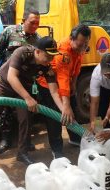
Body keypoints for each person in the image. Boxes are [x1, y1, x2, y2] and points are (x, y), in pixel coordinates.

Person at [0, 36, 72, 165]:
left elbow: (53, 91)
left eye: (52, 56)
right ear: (38, 52)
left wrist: (63, 109)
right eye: (48, 56)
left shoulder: (46, 66)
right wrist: (28, 98)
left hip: (24, 87)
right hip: (3, 83)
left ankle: (22, 153)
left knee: (26, 118)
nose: (50, 60)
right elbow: (12, 77)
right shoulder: (22, 53)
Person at [0, 8, 40, 155]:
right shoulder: (10, 32)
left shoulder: (37, 39)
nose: (35, 26)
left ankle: (25, 142)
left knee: (26, 114)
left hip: (25, 83)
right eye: (32, 22)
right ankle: (5, 140)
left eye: (37, 23)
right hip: (7, 80)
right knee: (5, 112)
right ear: (24, 21)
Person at [37, 24, 91, 158]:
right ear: (71, 39)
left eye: (85, 45)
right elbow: (62, 78)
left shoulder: (80, 46)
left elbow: (77, 66)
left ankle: (74, 138)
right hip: (49, 85)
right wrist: (65, 105)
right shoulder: (63, 51)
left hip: (66, 82)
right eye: (80, 45)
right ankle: (57, 150)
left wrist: (74, 84)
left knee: (73, 111)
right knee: (56, 116)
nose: (82, 48)